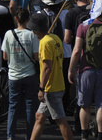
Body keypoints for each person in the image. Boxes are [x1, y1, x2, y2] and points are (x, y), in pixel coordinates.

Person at [69, 9, 102, 140]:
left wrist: (71, 69)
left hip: (85, 70)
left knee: (84, 105)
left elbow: (76, 50)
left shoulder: (83, 27)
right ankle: (100, 135)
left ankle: (84, 135)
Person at [29, 12, 74, 140]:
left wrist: (41, 88)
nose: (33, 32)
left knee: (61, 121)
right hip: (58, 84)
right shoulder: (55, 38)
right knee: (39, 116)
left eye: (34, 30)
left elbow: (47, 68)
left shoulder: (44, 43)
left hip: (50, 88)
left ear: (37, 30)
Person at [4, 7, 40, 140]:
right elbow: (36, 57)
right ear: (28, 20)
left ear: (15, 19)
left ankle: (10, 136)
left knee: (13, 106)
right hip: (30, 74)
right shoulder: (32, 35)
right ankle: (29, 136)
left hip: (13, 75)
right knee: (30, 106)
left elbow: (5, 56)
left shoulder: (8, 34)